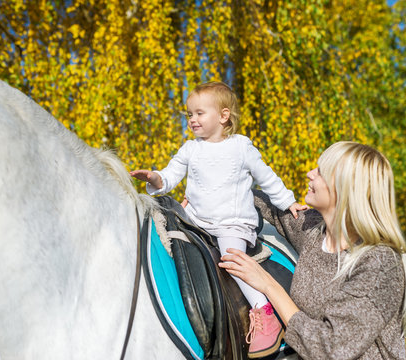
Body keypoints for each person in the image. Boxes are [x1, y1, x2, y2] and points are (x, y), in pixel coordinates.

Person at [130, 81, 307, 358]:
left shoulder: (241, 147)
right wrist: (155, 178)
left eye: (200, 113)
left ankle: (264, 312)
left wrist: (287, 202)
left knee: (232, 258)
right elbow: (170, 175)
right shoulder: (191, 149)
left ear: (224, 116)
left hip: (232, 223)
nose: (192, 120)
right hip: (198, 219)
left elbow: (267, 177)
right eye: (189, 114)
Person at [219, 141, 406, 359]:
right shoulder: (314, 231)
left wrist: (268, 285)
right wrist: (210, 195)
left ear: (346, 188)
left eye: (321, 172)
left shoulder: (379, 264)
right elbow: (269, 205)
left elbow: (331, 349)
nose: (310, 174)